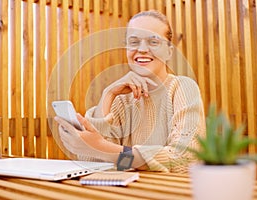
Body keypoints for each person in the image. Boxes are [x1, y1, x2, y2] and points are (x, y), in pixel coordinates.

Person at [54, 10, 206, 173]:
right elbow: (93, 161)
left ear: (169, 51)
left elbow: (182, 159)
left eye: (153, 42)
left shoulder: (182, 88)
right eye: (133, 42)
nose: (141, 49)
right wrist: (108, 95)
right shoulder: (121, 101)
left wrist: (101, 148)